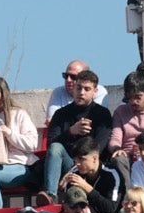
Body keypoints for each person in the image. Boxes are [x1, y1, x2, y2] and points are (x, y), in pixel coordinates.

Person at [42, 69, 117, 199]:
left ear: (95, 91)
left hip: (91, 164)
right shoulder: (61, 114)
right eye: (78, 88)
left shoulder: (102, 114)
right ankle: (50, 196)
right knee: (55, 147)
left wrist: (76, 169)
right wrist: (71, 132)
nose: (81, 92)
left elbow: (99, 148)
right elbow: (51, 145)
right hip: (68, 162)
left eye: (87, 89)